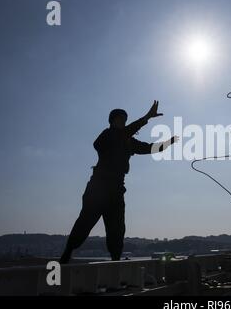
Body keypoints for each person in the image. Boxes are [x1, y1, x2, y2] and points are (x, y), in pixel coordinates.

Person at [60, 100, 178, 263]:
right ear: (112, 120)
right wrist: (147, 117)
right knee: (84, 223)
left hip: (116, 190)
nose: (123, 121)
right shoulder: (106, 136)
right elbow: (115, 138)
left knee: (117, 230)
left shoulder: (127, 140)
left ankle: (115, 261)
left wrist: (167, 143)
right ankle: (67, 253)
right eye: (120, 119)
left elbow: (149, 148)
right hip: (98, 188)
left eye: (125, 119)